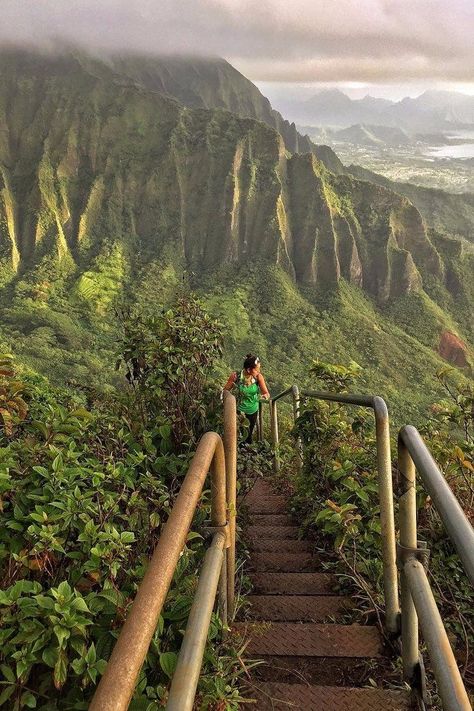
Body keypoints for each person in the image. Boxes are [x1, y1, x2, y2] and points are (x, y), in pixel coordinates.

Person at [224, 354, 270, 444]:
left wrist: (264, 396)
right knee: (238, 434)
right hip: (238, 410)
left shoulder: (258, 377)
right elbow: (225, 391)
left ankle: (247, 452)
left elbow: (266, 393)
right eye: (256, 370)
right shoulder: (235, 376)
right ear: (249, 370)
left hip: (252, 410)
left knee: (248, 434)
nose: (258, 372)